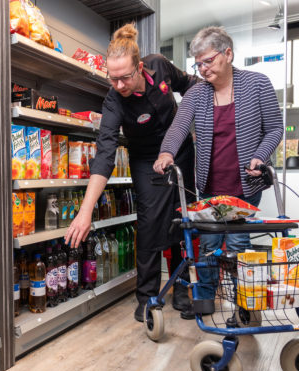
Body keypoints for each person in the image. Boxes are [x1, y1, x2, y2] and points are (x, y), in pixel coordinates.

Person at [64, 23, 200, 321]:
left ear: (140, 67)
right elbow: (104, 155)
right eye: (113, 79)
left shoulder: (160, 66)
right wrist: (86, 211)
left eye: (125, 77)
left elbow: (191, 84)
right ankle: (148, 295)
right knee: (150, 224)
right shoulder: (114, 101)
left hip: (182, 151)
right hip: (145, 159)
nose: (120, 85)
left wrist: (198, 116)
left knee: (182, 219)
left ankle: (181, 288)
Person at [154, 26, 283, 301]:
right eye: (197, 63)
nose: (202, 68)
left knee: (237, 242)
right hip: (211, 184)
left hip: (246, 183)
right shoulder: (197, 94)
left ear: (228, 53)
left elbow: (274, 128)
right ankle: (206, 297)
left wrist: (260, 155)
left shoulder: (257, 83)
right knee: (210, 242)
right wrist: (167, 153)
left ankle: (244, 300)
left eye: (208, 61)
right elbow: (178, 128)